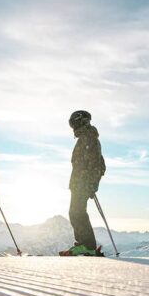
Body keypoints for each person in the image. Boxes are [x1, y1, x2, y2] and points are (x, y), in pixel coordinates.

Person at [61, 110, 106, 256]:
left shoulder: (89, 138)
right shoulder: (86, 138)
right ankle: (84, 243)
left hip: (82, 184)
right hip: (79, 183)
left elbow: (98, 165)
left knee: (77, 212)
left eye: (73, 124)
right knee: (76, 212)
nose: (73, 128)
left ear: (80, 122)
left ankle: (87, 245)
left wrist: (91, 184)